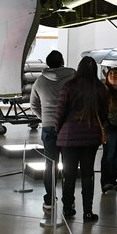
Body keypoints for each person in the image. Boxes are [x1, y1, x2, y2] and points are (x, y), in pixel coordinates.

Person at [54, 56, 108, 222]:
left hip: (69, 138)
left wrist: (58, 131)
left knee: (68, 174)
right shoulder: (100, 88)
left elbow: (60, 112)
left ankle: (68, 208)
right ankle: (88, 212)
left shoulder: (69, 86)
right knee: (87, 174)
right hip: (91, 138)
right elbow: (105, 114)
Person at [29, 50, 75, 213]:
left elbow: (33, 105)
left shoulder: (40, 81)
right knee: (69, 164)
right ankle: (69, 202)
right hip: (68, 127)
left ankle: (49, 200)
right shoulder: (72, 77)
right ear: (62, 61)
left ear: (47, 63)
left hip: (49, 128)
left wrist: (45, 118)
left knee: (50, 164)